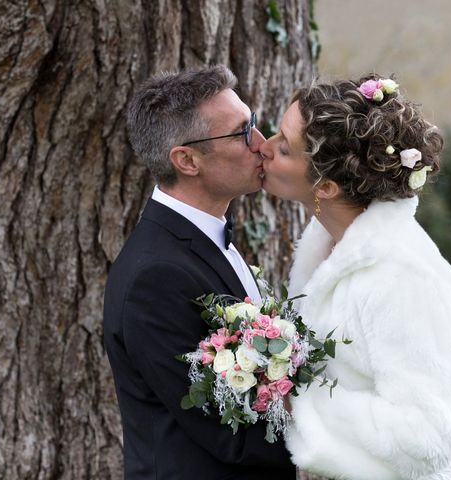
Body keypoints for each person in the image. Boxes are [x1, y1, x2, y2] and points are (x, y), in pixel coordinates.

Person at [259, 74, 451, 480]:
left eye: (282, 146)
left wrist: (296, 403)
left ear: (327, 186)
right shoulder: (330, 248)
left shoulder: (400, 278)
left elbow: (427, 437)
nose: (261, 147)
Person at [103, 65, 296, 480]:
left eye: (255, 125)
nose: (262, 145)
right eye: (242, 132)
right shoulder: (155, 278)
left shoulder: (201, 241)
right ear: (187, 160)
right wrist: (355, 434)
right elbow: (227, 432)